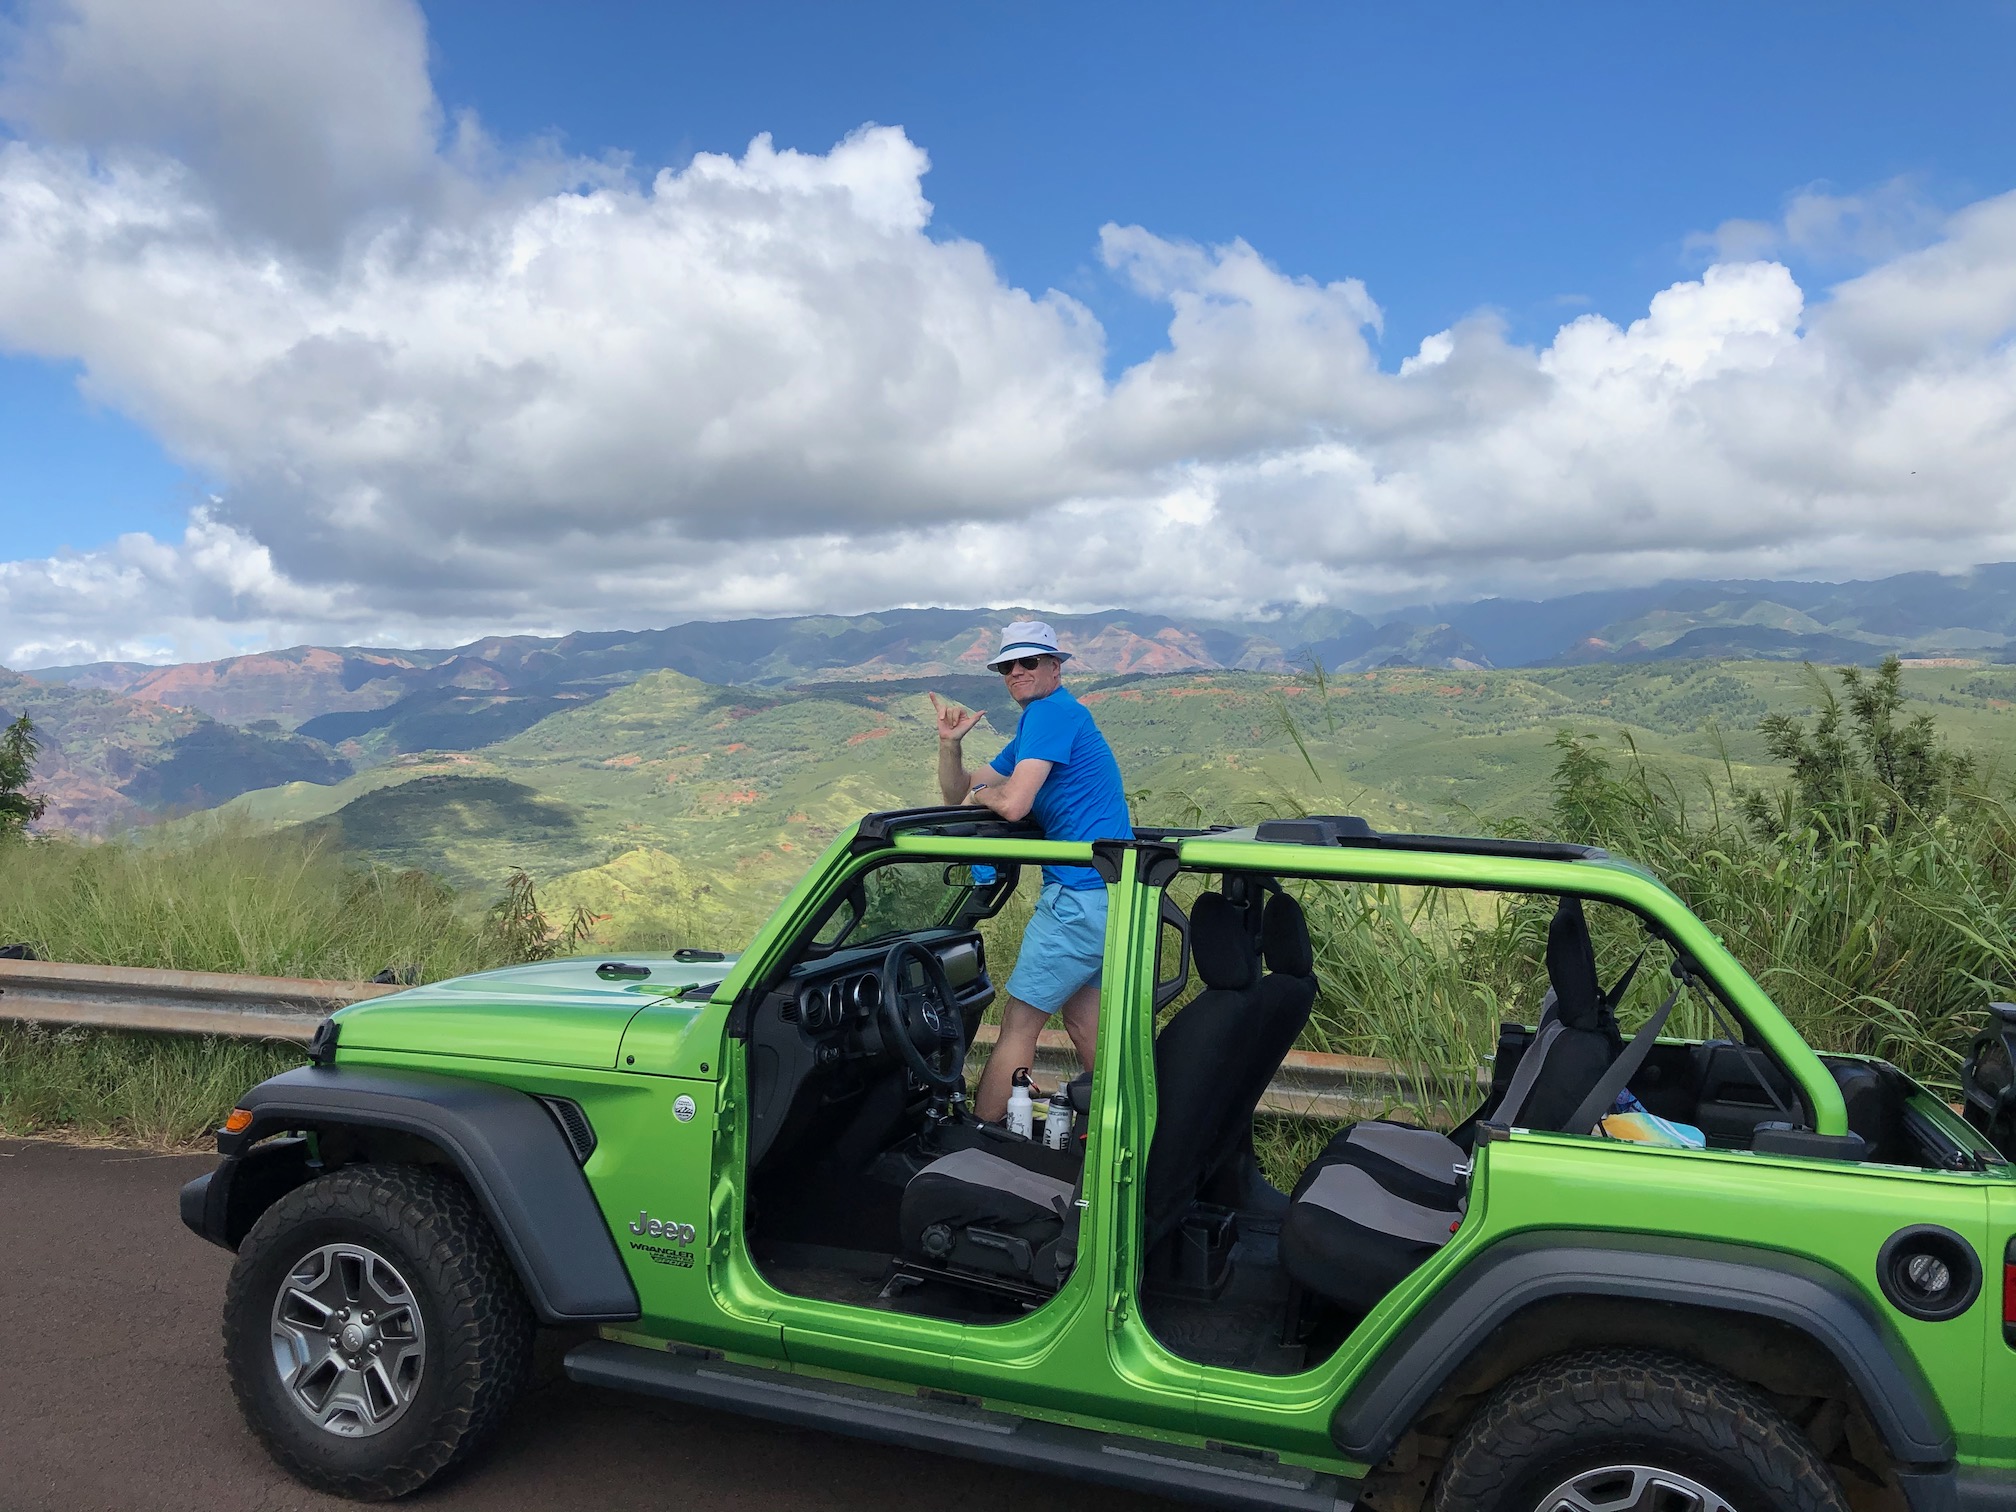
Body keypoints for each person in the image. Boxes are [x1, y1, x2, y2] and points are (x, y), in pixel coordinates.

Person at [929, 619, 1132, 1123]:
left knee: (1019, 1024)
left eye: (1029, 662)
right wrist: (950, 745)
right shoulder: (1049, 719)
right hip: (1114, 893)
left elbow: (1013, 804)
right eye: (1006, 665)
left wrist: (984, 796)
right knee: (1086, 1023)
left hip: (1080, 896)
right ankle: (1123, 1133)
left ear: (1055, 667)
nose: (1016, 672)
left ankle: (982, 1139)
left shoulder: (1048, 713)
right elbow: (958, 790)